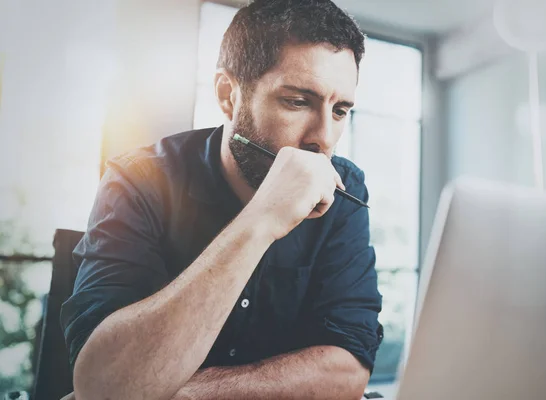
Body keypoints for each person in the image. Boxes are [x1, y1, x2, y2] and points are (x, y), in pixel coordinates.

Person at [60, 0, 383, 399]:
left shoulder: (345, 188)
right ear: (228, 94)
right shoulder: (139, 180)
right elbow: (104, 388)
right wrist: (260, 219)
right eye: (298, 101)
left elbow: (348, 369)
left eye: (340, 110)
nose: (325, 138)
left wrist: (184, 394)